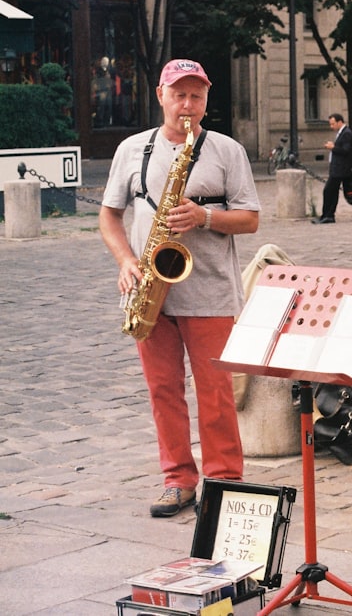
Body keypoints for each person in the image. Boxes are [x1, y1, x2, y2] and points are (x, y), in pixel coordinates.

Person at [99, 59, 260, 517]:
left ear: (207, 99)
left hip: (209, 291)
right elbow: (109, 215)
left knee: (215, 392)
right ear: (160, 95)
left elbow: (250, 219)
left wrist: (204, 216)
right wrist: (127, 261)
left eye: (197, 96)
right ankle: (177, 479)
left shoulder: (227, 150)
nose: (188, 105)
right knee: (163, 390)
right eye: (179, 95)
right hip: (151, 290)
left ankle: (225, 480)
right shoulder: (132, 149)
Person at [314, 113, 352, 224]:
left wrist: (333, 147)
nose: (331, 127)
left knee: (329, 190)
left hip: (340, 169)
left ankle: (328, 215)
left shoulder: (346, 133)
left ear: (339, 122)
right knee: (331, 191)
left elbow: (345, 150)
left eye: (333, 124)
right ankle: (326, 215)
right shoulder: (341, 133)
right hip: (337, 168)